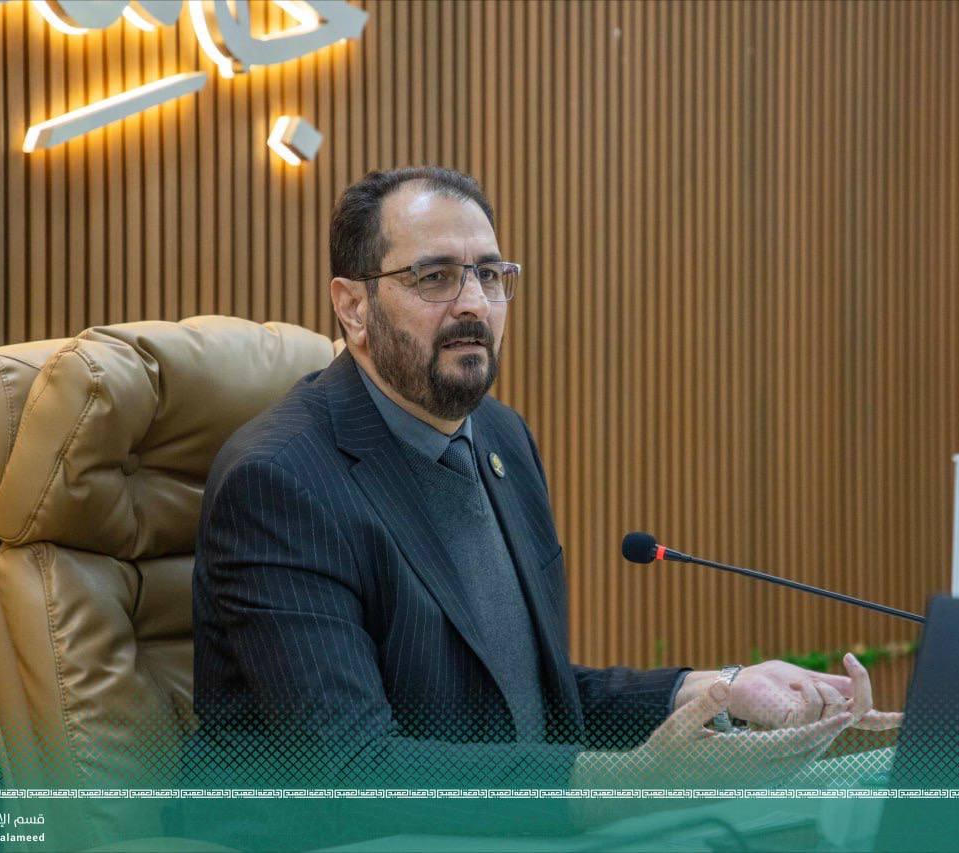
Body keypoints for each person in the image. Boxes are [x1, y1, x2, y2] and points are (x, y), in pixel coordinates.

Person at [187, 167, 899, 837]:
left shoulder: (500, 437)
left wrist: (719, 691)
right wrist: (631, 783)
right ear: (353, 307)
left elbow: (534, 704)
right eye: (434, 277)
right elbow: (353, 772)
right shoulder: (281, 480)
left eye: (490, 275)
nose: (474, 303)